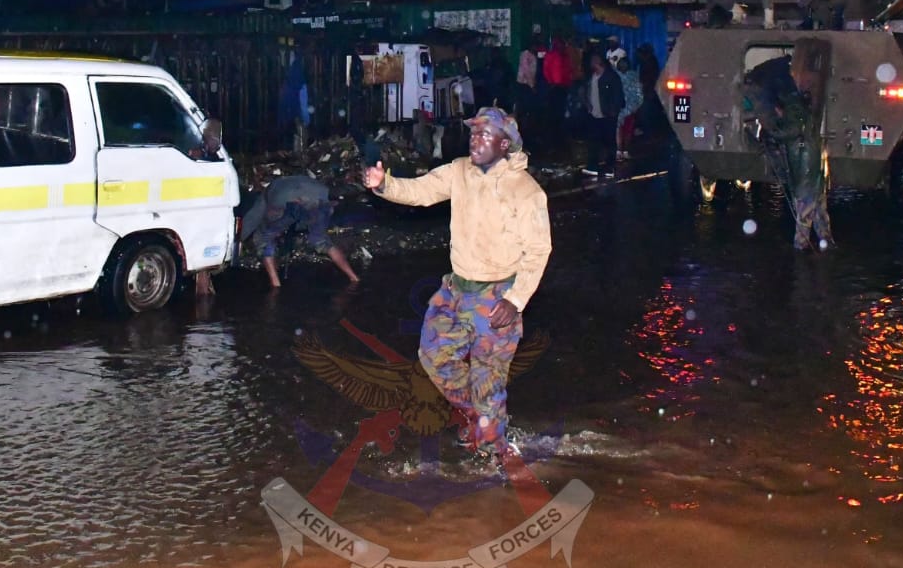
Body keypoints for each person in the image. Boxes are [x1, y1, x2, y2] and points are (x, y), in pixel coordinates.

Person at [361, 107, 551, 462]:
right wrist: (385, 184)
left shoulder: (526, 192)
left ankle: (495, 454)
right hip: (456, 289)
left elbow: (539, 250)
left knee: (487, 377)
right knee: (434, 356)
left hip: (498, 295)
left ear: (505, 144)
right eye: (473, 133)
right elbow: (422, 190)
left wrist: (516, 300)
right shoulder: (460, 171)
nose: (475, 140)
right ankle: (481, 416)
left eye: (485, 135)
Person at [739, 42, 833, 251]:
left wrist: (770, 129)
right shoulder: (800, 107)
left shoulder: (793, 109)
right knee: (817, 205)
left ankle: (802, 246)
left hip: (804, 166)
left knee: (804, 207)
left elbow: (788, 131)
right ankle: (826, 240)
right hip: (811, 165)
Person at [239, 176, 361, 288]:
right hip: (294, 201)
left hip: (287, 197)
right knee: (321, 241)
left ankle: (275, 284)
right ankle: (354, 277)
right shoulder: (323, 200)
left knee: (264, 237)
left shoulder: (318, 189)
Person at [582, 52, 623, 177]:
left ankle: (610, 168)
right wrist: (587, 105)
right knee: (593, 142)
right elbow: (586, 92)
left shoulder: (611, 77)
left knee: (609, 141)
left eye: (592, 61)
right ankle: (593, 166)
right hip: (594, 115)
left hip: (607, 115)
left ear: (597, 62)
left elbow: (618, 96)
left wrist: (613, 111)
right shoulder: (591, 77)